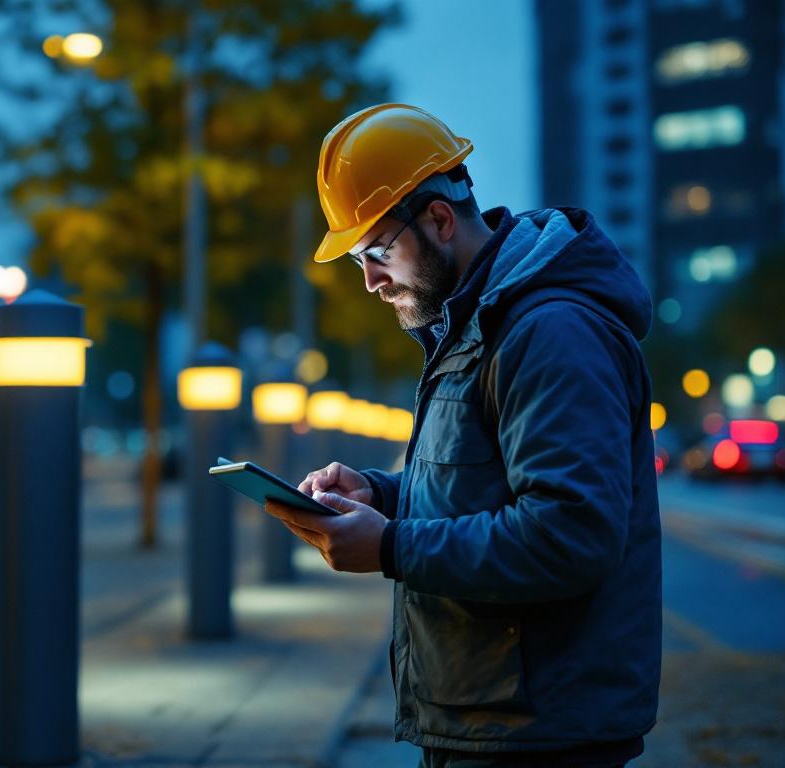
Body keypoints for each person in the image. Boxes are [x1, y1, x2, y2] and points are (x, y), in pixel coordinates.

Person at [264, 103, 662, 767]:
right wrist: (382, 495)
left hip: (536, 736)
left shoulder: (549, 333)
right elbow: (485, 479)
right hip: (493, 718)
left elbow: (569, 534)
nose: (368, 280)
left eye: (376, 251)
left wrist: (389, 545)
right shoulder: (475, 325)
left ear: (440, 220)